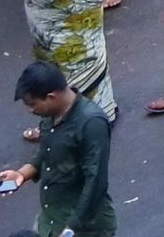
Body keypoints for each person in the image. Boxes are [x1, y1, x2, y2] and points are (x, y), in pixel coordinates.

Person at [18, 58, 114, 237]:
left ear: (51, 97)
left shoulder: (92, 123)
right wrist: (23, 173)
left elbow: (96, 182)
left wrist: (72, 228)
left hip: (84, 227)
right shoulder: (51, 114)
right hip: (52, 220)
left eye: (32, 104)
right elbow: (47, 149)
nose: (30, 110)